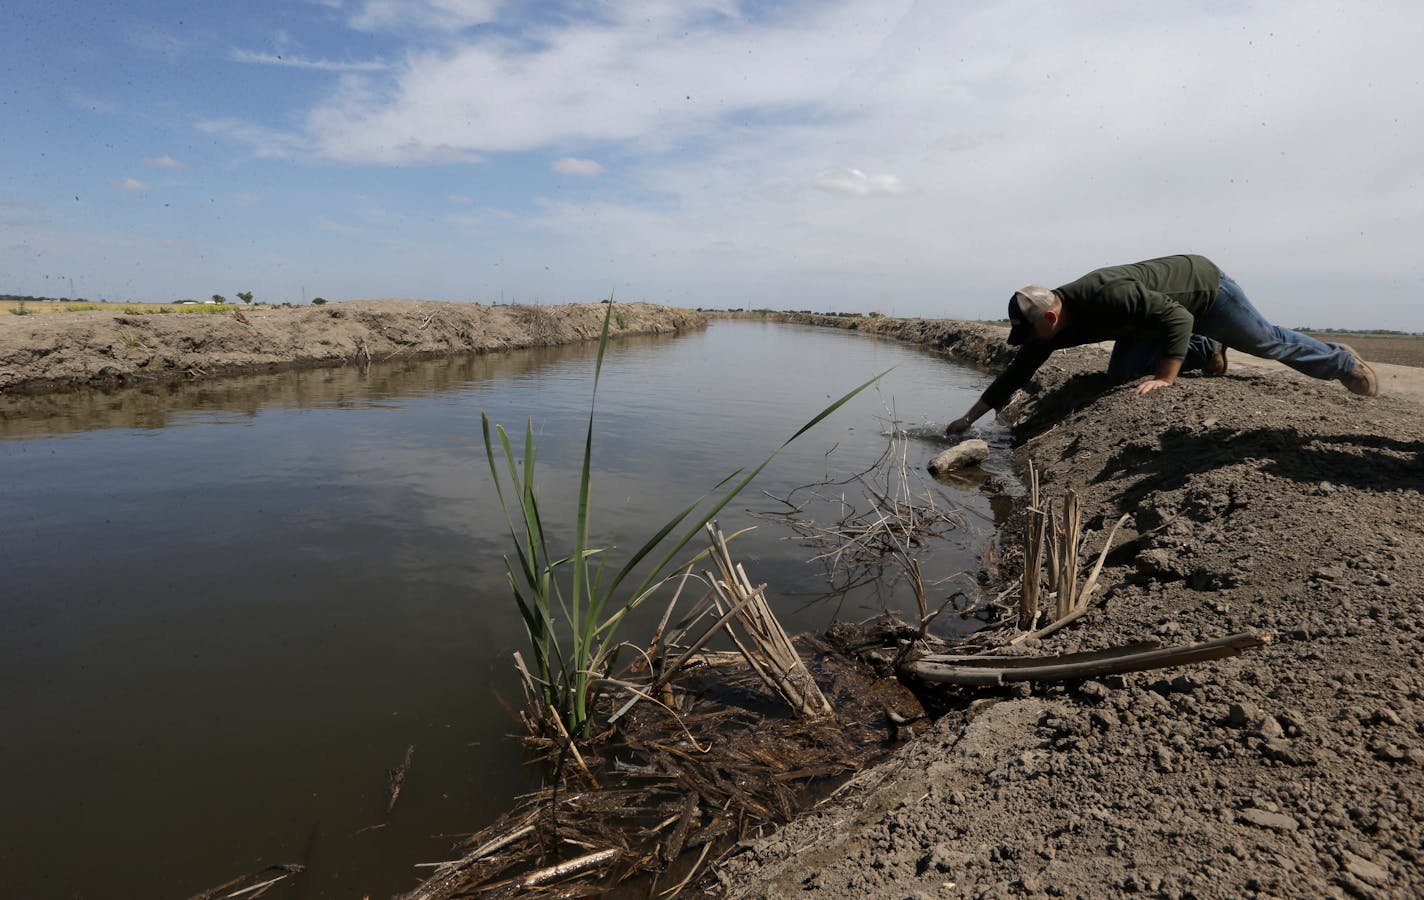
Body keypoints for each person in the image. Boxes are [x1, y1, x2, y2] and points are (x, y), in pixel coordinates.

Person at [944, 254, 1378, 435]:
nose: (1028, 341)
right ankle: (1205, 351)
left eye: (1029, 331)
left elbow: (1178, 316)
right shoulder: (1053, 328)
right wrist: (969, 418)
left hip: (1203, 292)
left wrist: (1165, 379)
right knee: (1122, 377)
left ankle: (1340, 361)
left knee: (1267, 344)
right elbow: (1019, 371)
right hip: (1151, 320)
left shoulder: (1103, 293)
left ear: (1050, 317)